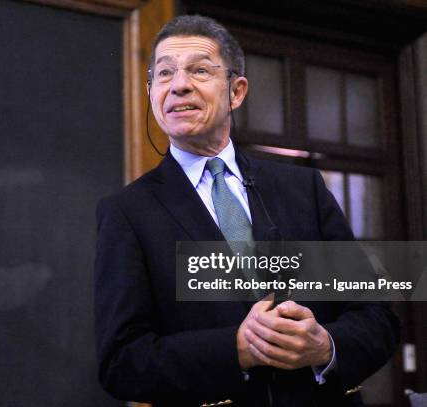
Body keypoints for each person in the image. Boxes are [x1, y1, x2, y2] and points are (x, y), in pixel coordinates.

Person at [94, 15, 399, 407]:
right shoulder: (128, 213)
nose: (179, 85)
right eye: (164, 73)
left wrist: (326, 346)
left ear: (236, 91)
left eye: (199, 70)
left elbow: (377, 318)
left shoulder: (302, 188)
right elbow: (122, 362)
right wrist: (236, 347)